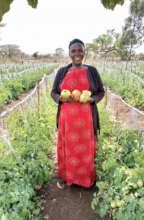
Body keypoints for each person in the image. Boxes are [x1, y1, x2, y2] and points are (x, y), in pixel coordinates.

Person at [51, 39, 105, 189]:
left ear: (84, 52)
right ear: (69, 53)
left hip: (86, 119)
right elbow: (53, 92)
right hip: (67, 120)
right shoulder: (62, 72)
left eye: (80, 50)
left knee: (86, 149)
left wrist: (92, 98)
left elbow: (101, 91)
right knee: (68, 147)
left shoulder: (92, 71)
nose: (77, 54)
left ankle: (86, 178)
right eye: (73, 51)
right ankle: (68, 176)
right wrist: (60, 98)